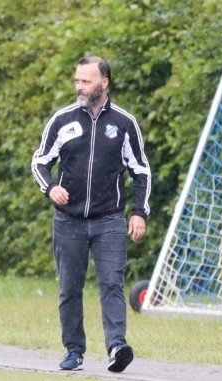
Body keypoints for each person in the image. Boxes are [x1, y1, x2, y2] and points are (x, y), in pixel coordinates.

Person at [31, 56, 151, 373]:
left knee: (111, 283)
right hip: (68, 221)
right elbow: (39, 162)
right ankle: (74, 350)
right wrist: (50, 188)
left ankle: (117, 347)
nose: (79, 86)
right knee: (69, 288)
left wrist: (139, 212)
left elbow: (142, 172)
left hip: (109, 220)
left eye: (86, 81)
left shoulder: (124, 124)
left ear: (104, 83)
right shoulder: (62, 120)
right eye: (76, 80)